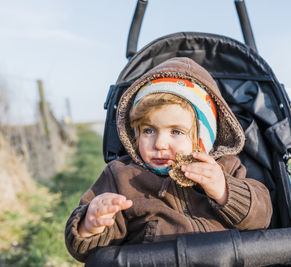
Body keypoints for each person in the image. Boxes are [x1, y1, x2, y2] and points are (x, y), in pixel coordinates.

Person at [65, 57, 273, 262]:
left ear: (204, 137)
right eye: (148, 130)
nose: (160, 144)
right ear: (134, 133)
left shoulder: (225, 168)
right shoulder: (121, 176)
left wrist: (225, 191)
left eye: (176, 131)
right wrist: (90, 226)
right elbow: (88, 251)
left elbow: (261, 219)